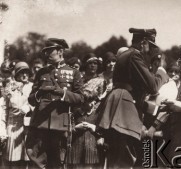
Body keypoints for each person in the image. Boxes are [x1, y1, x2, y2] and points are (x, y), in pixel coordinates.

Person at [97, 28, 169, 168]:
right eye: (150, 46)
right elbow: (152, 86)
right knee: (124, 158)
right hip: (124, 109)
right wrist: (161, 72)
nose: (150, 51)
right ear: (143, 42)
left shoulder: (125, 55)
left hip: (119, 105)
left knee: (115, 157)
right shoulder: (135, 56)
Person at [26, 38, 85, 169]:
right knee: (36, 158)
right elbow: (30, 99)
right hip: (40, 123)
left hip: (60, 124)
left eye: (49, 51)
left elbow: (81, 98)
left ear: (60, 51)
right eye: (45, 52)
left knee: (57, 161)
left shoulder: (74, 72)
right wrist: (39, 93)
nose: (46, 55)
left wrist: (63, 93)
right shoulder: (41, 72)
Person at [67, 53, 105, 169]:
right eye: (90, 63)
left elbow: (101, 102)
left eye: (95, 63)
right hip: (78, 113)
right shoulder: (80, 80)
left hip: (95, 115)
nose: (93, 66)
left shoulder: (101, 81)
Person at [4, 61, 33, 169]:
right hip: (13, 126)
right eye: (21, 73)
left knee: (26, 159)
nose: (25, 75)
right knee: (13, 160)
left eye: (26, 72)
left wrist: (29, 107)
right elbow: (5, 108)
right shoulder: (10, 87)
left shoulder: (32, 87)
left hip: (27, 127)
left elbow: (37, 104)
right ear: (16, 75)